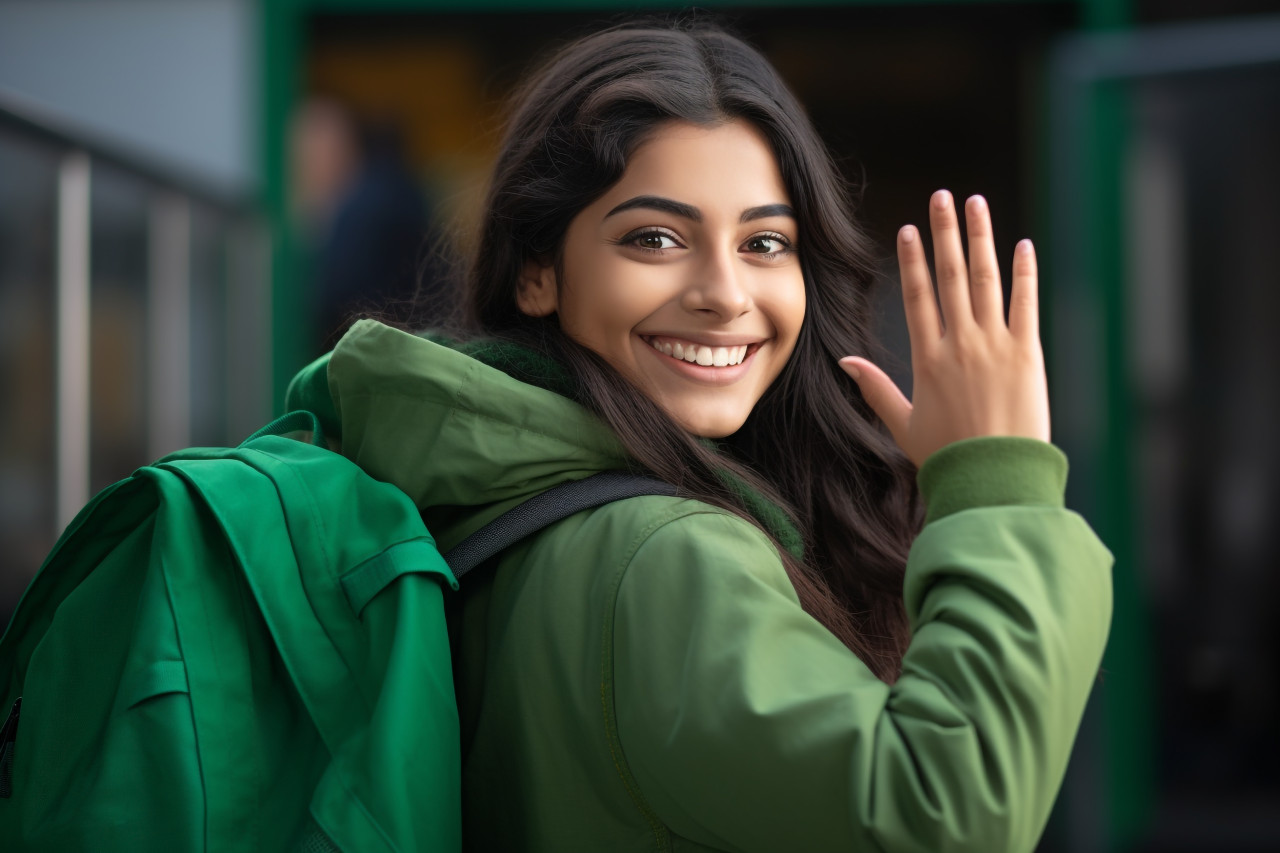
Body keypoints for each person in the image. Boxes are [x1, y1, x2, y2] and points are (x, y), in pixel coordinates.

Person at [285, 19, 1112, 853]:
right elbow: (945, 814)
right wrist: (1000, 490)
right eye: (656, 238)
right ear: (538, 271)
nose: (724, 292)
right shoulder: (660, 555)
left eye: (764, 242)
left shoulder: (493, 501)